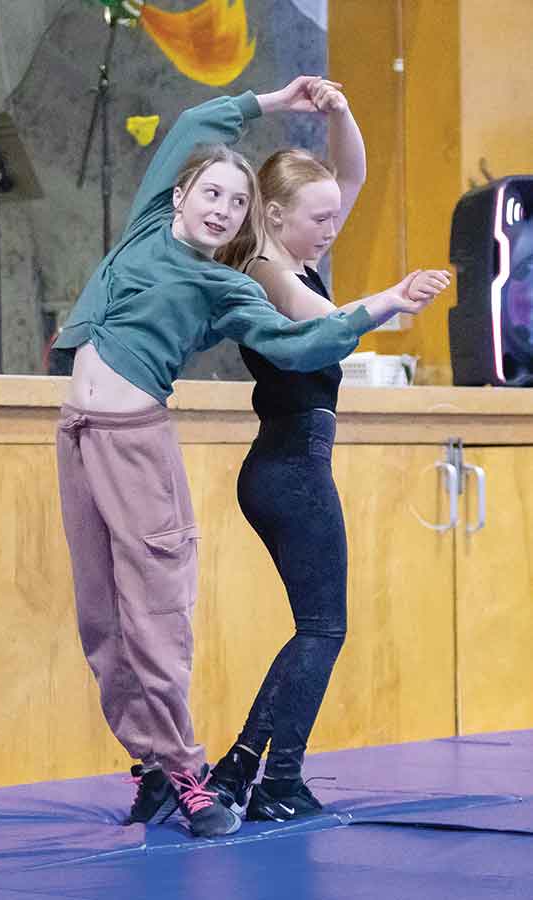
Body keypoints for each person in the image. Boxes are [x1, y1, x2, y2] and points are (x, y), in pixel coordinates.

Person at [52, 74, 381, 838]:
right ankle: (182, 770)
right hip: (111, 439)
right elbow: (198, 123)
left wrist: (382, 303)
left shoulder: (224, 276)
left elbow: (306, 325)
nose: (220, 209)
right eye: (212, 195)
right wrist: (276, 100)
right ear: (179, 197)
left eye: (233, 201)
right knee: (107, 619)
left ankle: (207, 771)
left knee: (168, 615)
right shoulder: (199, 245)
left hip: (160, 441)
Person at [209, 80, 451, 822]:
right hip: (286, 465)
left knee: (316, 626)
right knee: (323, 628)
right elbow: (327, 322)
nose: (333, 227)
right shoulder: (265, 272)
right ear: (275, 216)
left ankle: (239, 767)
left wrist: (342, 113)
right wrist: (390, 299)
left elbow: (348, 176)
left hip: (293, 463)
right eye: (319, 219)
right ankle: (277, 780)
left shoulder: (298, 255)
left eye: (335, 219)